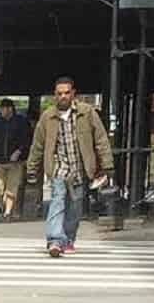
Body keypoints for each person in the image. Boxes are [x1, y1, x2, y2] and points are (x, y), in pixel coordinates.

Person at [26, 76, 114, 258]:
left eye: (66, 93)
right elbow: (38, 145)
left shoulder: (87, 112)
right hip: (58, 166)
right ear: (54, 95)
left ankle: (68, 239)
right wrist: (32, 169)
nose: (63, 96)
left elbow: (101, 139)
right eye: (59, 93)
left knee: (75, 207)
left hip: (80, 168)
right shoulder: (47, 117)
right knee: (58, 199)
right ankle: (54, 240)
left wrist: (107, 165)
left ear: (73, 94)